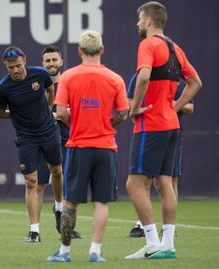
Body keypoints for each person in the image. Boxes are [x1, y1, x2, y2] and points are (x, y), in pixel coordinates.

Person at [125, 1, 202, 259]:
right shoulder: (175, 48)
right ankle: (168, 244)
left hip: (151, 125)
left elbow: (144, 77)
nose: (137, 24)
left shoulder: (147, 44)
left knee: (135, 184)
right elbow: (195, 82)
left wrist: (135, 108)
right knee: (165, 183)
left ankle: (152, 244)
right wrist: (175, 106)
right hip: (171, 125)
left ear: (148, 21)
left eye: (139, 19)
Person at [46, 30, 129, 263]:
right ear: (102, 50)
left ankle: (64, 252)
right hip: (105, 147)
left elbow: (60, 112)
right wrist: (107, 123)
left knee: (70, 200)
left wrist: (77, 124)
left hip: (79, 146)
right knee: (100, 201)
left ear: (79, 51)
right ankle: (95, 251)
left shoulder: (69, 77)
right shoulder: (115, 79)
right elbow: (123, 113)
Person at [0, 46, 64, 242]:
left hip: (49, 131)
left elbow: (50, 90)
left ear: (24, 60)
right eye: (10, 67)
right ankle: (34, 231)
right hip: (26, 138)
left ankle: (59, 206)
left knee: (57, 171)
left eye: (17, 65)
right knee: (31, 182)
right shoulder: (2, 88)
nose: (14, 70)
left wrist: (48, 109)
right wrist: (17, 115)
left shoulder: (39, 74)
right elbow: (0, 114)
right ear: (6, 66)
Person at [127, 74, 194, 238]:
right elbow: (130, 102)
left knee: (168, 180)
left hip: (169, 131)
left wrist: (173, 106)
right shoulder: (139, 76)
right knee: (145, 179)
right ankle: (141, 225)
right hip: (152, 130)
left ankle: (168, 228)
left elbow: (190, 107)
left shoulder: (176, 80)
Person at [37, 46, 81, 239]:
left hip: (66, 140)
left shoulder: (70, 83)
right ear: (42, 64)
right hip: (41, 140)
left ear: (61, 62)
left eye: (54, 60)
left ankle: (64, 225)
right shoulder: (36, 86)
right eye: (47, 61)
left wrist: (61, 115)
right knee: (37, 184)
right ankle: (34, 230)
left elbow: (78, 111)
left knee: (66, 183)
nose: (51, 64)